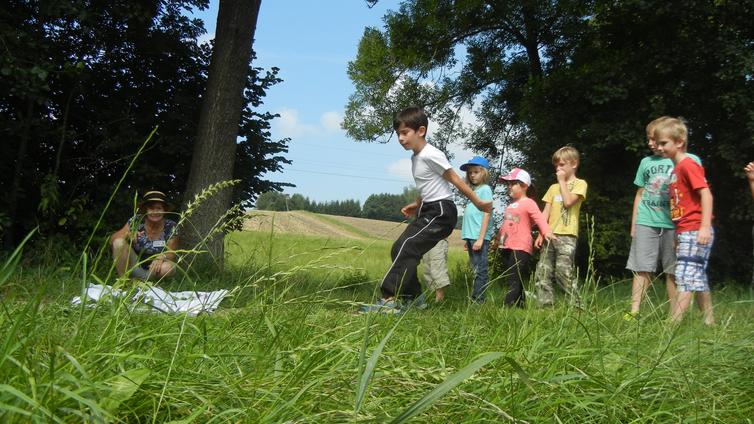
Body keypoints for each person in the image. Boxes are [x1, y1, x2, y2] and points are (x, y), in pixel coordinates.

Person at [360, 107, 492, 313]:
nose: (400, 138)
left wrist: (477, 202)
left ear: (420, 131)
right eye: (398, 134)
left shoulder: (432, 154)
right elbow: (428, 184)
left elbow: (454, 178)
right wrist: (417, 203)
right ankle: (413, 298)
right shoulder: (416, 157)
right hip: (429, 209)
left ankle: (389, 298)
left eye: (405, 133)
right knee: (399, 248)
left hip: (441, 211)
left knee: (408, 246)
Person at [624, 117, 702, 320]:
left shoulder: (688, 160)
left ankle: (674, 316)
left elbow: (698, 195)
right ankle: (634, 312)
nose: (651, 143)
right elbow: (640, 193)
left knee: (673, 270)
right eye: (649, 139)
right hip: (646, 220)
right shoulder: (646, 162)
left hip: (677, 224)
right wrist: (634, 223)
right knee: (641, 267)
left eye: (654, 138)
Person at [654, 118, 714, 325]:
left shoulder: (689, 165)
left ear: (679, 142)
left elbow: (706, 194)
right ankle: (709, 321)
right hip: (685, 230)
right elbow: (682, 205)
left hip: (696, 228)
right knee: (696, 275)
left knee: (685, 276)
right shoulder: (675, 170)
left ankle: (672, 325)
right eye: (657, 143)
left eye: (663, 143)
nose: (659, 147)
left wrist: (704, 227)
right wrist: (679, 234)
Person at [534, 146, 588, 307]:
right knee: (543, 272)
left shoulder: (580, 184)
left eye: (562, 165)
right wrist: (540, 233)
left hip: (567, 235)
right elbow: (546, 212)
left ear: (574, 164)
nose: (558, 168)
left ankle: (577, 307)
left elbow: (568, 202)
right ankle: (545, 307)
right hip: (549, 235)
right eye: (556, 165)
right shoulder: (552, 188)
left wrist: (562, 181)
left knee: (563, 272)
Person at [494, 168, 555, 307]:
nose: (509, 186)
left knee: (513, 277)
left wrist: (546, 232)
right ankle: (520, 305)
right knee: (515, 276)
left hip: (520, 246)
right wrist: (497, 240)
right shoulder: (510, 205)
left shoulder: (529, 203)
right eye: (508, 184)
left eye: (513, 183)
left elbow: (540, 219)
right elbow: (505, 225)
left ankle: (507, 306)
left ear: (524, 185)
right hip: (506, 245)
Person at [111, 190, 178, 281]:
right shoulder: (136, 221)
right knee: (119, 242)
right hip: (135, 266)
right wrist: (128, 235)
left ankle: (151, 283)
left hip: (157, 270)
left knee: (168, 268)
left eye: (159, 208)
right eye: (151, 208)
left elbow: (172, 253)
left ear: (164, 210)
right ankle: (124, 281)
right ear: (145, 209)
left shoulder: (171, 226)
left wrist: (162, 257)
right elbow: (113, 240)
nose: (155, 212)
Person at [460, 156, 495, 303]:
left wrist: (481, 238)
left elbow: (487, 213)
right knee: (475, 270)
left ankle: (479, 300)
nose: (472, 175)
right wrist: (468, 237)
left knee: (480, 270)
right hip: (472, 236)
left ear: (484, 173)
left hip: (479, 237)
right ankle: (475, 297)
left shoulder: (485, 189)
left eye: (476, 172)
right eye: (470, 173)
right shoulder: (475, 191)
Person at [421, 237, 450, 303]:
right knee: (427, 270)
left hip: (438, 239)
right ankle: (432, 297)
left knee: (437, 269)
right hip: (426, 239)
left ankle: (439, 300)